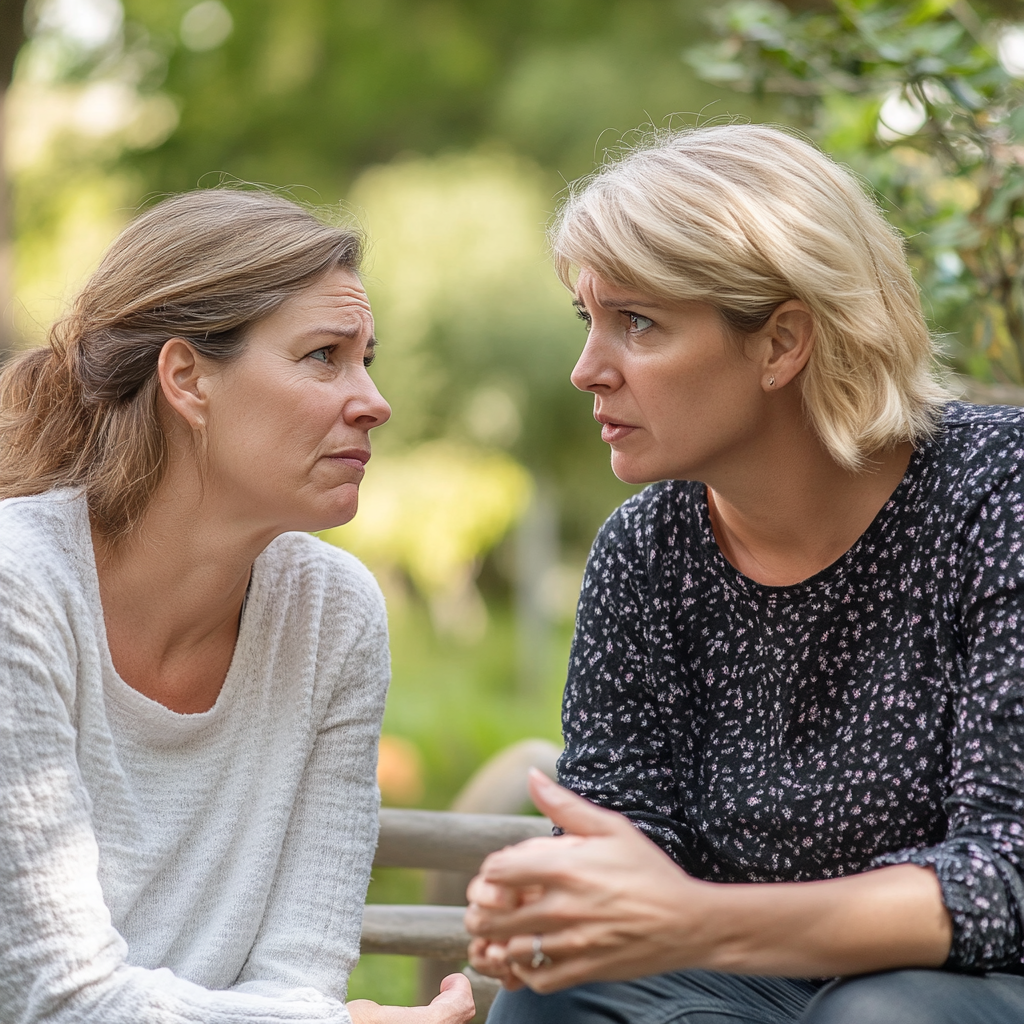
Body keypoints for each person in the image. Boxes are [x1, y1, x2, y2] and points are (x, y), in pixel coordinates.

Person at [463, 124, 1024, 1023]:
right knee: (551, 1001)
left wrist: (699, 922)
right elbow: (625, 852)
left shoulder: (998, 496)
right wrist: (555, 913)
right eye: (589, 321)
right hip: (742, 988)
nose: (587, 370)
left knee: (881, 1015)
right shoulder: (646, 552)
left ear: (781, 343)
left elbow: (1005, 880)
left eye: (637, 323)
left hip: (963, 989)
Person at [0, 189, 474, 1024]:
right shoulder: (20, 586)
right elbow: (56, 998)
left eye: (367, 358)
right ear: (187, 378)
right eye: (324, 356)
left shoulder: (333, 615)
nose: (373, 400)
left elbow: (301, 978)